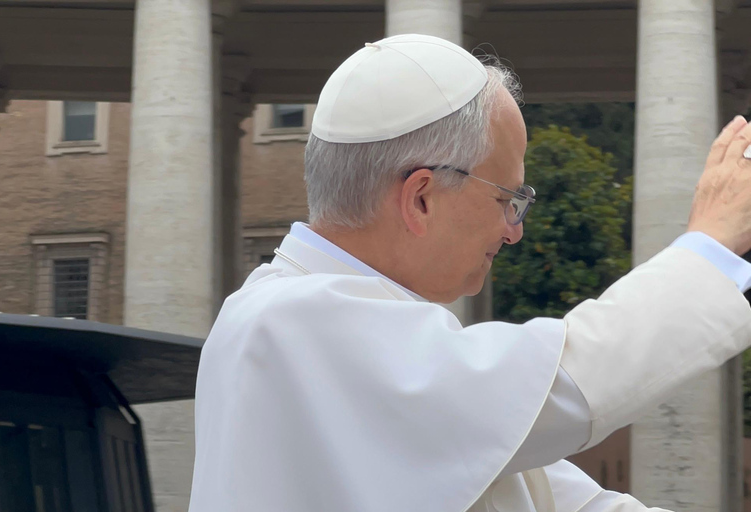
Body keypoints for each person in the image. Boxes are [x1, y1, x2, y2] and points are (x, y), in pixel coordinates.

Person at [187, 34, 751, 512]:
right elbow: (570, 386)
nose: (514, 230)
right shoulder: (289, 323)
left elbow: (567, 502)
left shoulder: (348, 326)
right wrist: (711, 244)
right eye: (509, 198)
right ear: (422, 198)